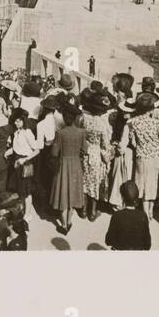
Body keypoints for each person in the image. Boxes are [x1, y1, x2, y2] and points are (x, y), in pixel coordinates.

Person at [50, 102, 87, 234]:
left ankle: (64, 225)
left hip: (63, 164)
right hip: (76, 164)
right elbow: (84, 149)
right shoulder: (81, 132)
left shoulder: (60, 133)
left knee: (63, 194)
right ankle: (70, 221)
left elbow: (54, 153)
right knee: (72, 193)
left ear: (65, 118)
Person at [129, 94, 159, 219]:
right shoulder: (156, 123)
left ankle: (144, 209)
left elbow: (133, 142)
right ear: (150, 109)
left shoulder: (133, 122)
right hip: (155, 155)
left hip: (141, 154)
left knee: (141, 181)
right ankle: (150, 210)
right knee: (152, 181)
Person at [80, 91, 111, 221]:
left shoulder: (84, 119)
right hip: (96, 154)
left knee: (84, 181)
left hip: (85, 152)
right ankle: (92, 212)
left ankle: (82, 209)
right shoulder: (103, 124)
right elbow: (105, 144)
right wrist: (108, 157)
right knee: (95, 182)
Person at [105, 180, 152, 250]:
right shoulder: (143, 216)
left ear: (122, 198)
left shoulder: (117, 216)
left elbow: (108, 241)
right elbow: (147, 244)